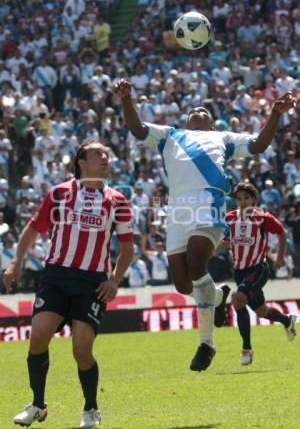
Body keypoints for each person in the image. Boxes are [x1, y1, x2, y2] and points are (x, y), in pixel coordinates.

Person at [114, 78, 295, 372]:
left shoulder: (224, 138)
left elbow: (259, 145)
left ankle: (206, 343)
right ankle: (219, 295)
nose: (199, 108)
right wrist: (125, 99)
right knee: (184, 284)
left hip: (208, 202)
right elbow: (137, 129)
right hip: (177, 209)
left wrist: (275, 115)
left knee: (198, 263)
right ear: (186, 122)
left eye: (205, 109)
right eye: (193, 109)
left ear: (211, 124)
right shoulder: (170, 134)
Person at [3, 140, 134, 428]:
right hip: (57, 276)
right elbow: (33, 228)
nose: (105, 157)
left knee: (81, 349)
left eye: (106, 154)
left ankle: (90, 409)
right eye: (97, 154)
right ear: (81, 162)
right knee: (38, 336)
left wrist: (114, 280)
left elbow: (127, 248)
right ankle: (38, 405)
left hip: (92, 283)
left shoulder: (118, 200)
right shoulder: (60, 193)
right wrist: (16, 262)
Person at [224, 182, 297, 365]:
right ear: (235, 200)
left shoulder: (263, 218)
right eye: (239, 198)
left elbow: (281, 233)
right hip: (239, 272)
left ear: (254, 199)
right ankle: (287, 321)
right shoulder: (230, 218)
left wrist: (280, 257)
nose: (243, 202)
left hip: (258, 269)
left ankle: (246, 349)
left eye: (246, 198)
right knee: (261, 311)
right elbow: (224, 239)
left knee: (238, 300)